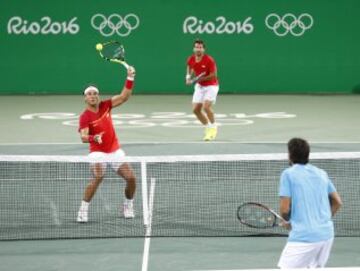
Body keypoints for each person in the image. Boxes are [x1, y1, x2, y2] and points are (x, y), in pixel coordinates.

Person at [77, 66, 136, 222]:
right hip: (97, 152)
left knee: (131, 178)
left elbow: (124, 97)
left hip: (114, 150)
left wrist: (130, 78)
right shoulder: (85, 116)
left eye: (95, 93)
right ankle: (83, 209)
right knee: (98, 176)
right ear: (85, 98)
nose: (93, 96)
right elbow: (83, 137)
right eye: (89, 94)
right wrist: (93, 138)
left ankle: (128, 205)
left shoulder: (106, 106)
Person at [278, 138, 343, 268]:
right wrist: (320, 221)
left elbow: (285, 210)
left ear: (290, 155)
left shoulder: (288, 174)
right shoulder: (321, 173)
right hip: (326, 234)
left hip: (304, 237)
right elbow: (337, 202)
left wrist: (287, 222)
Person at [186, 39, 219, 141]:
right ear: (194, 48)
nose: (198, 49)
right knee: (196, 110)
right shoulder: (190, 59)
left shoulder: (209, 60)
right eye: (196, 47)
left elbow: (214, 75)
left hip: (211, 86)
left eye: (200, 47)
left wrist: (199, 79)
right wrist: (188, 77)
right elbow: (190, 67)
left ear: (203, 49)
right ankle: (208, 127)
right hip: (200, 87)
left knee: (206, 107)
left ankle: (213, 126)